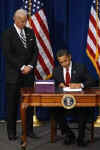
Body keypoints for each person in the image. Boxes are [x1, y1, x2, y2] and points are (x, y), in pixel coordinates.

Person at [2, 9, 39, 141]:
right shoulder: (8, 34)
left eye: (25, 21)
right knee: (11, 105)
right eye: (21, 21)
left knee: (29, 103)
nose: (24, 23)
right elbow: (8, 54)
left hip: (28, 75)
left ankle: (29, 130)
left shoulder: (30, 32)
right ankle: (11, 132)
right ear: (15, 19)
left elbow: (35, 51)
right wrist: (22, 66)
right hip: (14, 76)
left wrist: (30, 66)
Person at [52, 49, 97, 147]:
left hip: (79, 100)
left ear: (69, 57)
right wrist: (58, 85)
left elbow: (92, 81)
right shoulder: (56, 70)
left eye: (65, 61)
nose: (64, 64)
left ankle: (81, 138)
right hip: (63, 101)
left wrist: (80, 85)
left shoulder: (80, 67)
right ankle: (69, 134)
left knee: (83, 112)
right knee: (55, 111)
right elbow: (54, 85)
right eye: (61, 62)